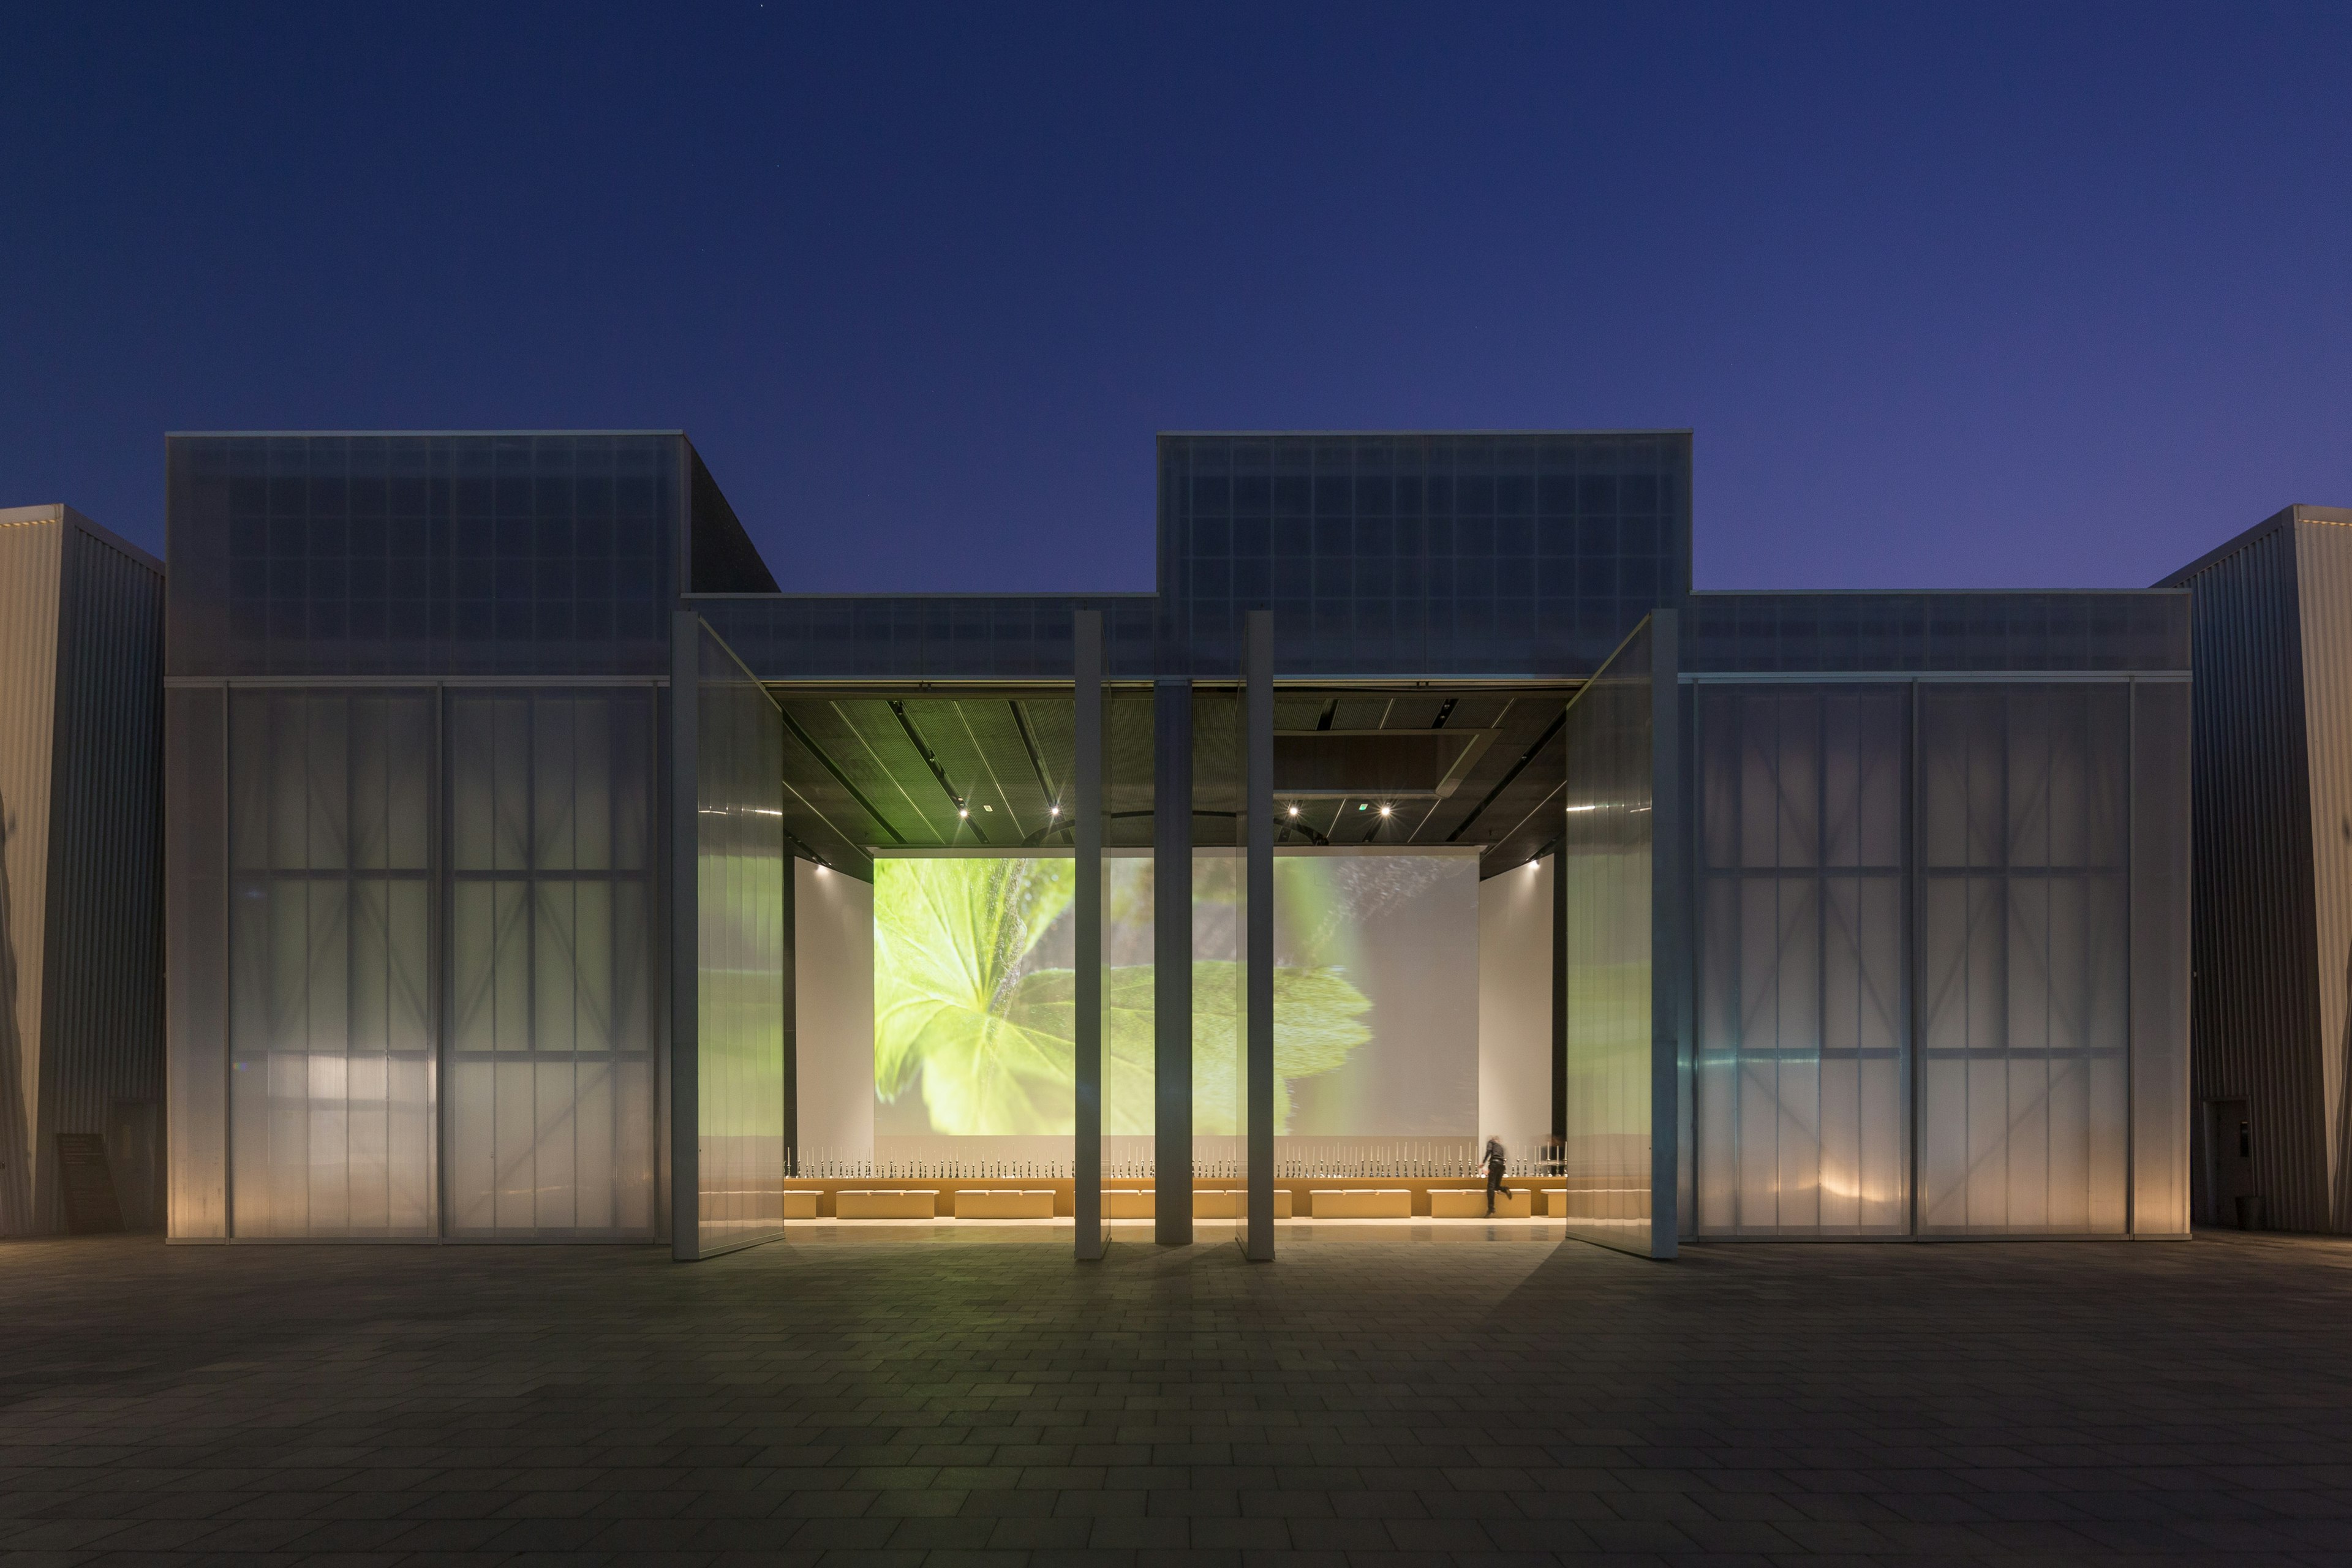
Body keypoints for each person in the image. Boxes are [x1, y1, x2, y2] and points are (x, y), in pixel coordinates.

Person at [1483, 1135, 1512, 1216]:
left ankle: (1491, 1208)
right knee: (1496, 1186)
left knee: (1490, 1186)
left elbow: (1488, 1151)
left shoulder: (1491, 1143)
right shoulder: (1501, 1147)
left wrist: (1483, 1162)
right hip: (1502, 1165)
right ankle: (1505, 1189)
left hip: (1494, 1164)